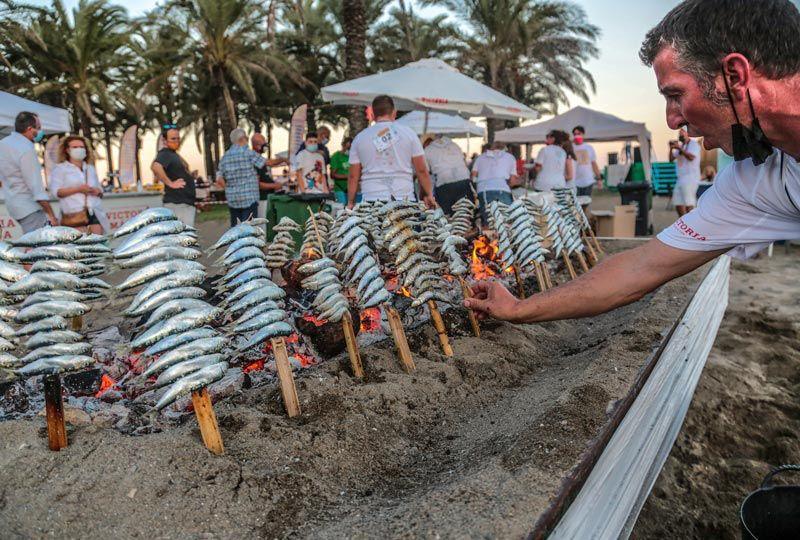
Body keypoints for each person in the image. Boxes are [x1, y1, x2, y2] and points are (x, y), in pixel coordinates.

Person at [465, 0, 800, 324]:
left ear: (735, 75)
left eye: (675, 95)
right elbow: (642, 267)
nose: (672, 119)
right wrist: (519, 308)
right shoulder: (756, 181)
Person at [347, 95, 436, 208]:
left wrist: (351, 202)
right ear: (394, 112)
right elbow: (422, 170)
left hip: (371, 200)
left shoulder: (360, 138)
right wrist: (429, 195)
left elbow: (353, 176)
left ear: (373, 115)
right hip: (404, 198)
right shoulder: (409, 134)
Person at [0, 112, 57, 232]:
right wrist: (51, 214)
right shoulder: (26, 149)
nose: (40, 131)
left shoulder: (3, 143)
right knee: (40, 242)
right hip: (29, 207)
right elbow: (36, 188)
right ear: (30, 129)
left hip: (14, 205)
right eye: (39, 128)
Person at [49, 135, 108, 234]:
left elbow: (100, 190)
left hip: (94, 212)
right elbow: (56, 192)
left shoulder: (90, 168)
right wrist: (78, 189)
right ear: (67, 150)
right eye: (75, 147)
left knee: (98, 240)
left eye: (81, 147)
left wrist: (97, 191)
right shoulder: (60, 169)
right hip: (73, 214)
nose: (79, 149)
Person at [216, 128, 266, 226]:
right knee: (249, 230)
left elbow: (219, 179)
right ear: (242, 139)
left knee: (236, 230)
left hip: (233, 200)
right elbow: (266, 162)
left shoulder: (225, 157)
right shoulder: (248, 153)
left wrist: (228, 189)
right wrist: (283, 160)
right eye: (246, 138)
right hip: (249, 199)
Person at [151, 124, 196, 226]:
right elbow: (156, 166)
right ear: (164, 141)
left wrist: (189, 176)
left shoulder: (173, 154)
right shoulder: (165, 153)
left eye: (178, 138)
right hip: (177, 205)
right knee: (183, 234)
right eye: (173, 139)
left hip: (183, 204)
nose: (176, 141)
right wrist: (170, 183)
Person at [470, 141, 518, 224]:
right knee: (505, 220)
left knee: (489, 220)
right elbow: (513, 181)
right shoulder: (510, 157)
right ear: (504, 148)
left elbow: (473, 176)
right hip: (502, 189)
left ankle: (489, 230)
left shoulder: (480, 157)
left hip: (484, 190)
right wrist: (509, 186)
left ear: (491, 148)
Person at [424, 134, 473, 214]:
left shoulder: (428, 150)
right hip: (463, 179)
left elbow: (425, 171)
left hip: (444, 183)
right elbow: (463, 162)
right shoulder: (454, 145)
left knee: (448, 214)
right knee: (466, 212)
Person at [669, 126, 702, 216]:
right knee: (678, 202)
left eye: (681, 133)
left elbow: (691, 157)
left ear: (688, 134)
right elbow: (671, 159)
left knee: (689, 202)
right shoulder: (681, 146)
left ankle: (692, 221)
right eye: (679, 134)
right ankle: (683, 220)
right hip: (681, 178)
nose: (680, 135)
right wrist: (671, 148)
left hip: (691, 178)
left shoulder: (694, 145)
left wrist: (679, 149)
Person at [572, 126, 603, 196]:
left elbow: (594, 164)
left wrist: (599, 179)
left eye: (579, 134)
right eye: (575, 134)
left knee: (586, 201)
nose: (576, 136)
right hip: (575, 182)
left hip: (588, 181)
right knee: (576, 202)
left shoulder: (589, 147)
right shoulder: (571, 147)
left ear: (583, 134)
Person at [329, 137, 352, 204]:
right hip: (339, 188)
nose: (348, 150)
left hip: (351, 188)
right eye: (347, 148)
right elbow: (332, 175)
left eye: (350, 148)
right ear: (343, 145)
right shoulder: (336, 156)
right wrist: (347, 176)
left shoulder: (353, 157)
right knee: (342, 207)